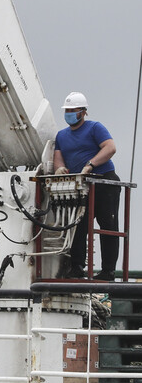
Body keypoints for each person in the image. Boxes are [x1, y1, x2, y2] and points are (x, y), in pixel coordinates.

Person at [53, 92, 120, 281]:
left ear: (83, 112)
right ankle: (77, 266)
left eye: (72, 111)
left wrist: (91, 164)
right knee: (79, 225)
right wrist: (60, 169)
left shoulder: (95, 128)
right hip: (82, 185)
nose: (69, 114)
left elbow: (110, 147)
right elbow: (58, 158)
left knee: (108, 225)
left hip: (104, 180)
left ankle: (108, 271)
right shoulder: (62, 135)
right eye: (67, 111)